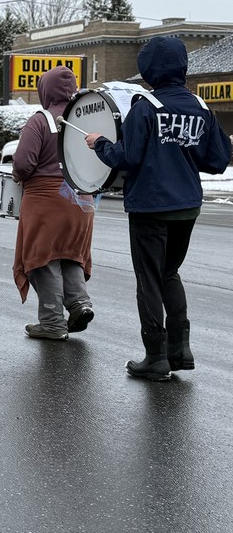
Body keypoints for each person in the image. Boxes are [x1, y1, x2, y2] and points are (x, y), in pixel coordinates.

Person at [86, 37, 231, 380]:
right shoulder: (200, 105)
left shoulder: (146, 105)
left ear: (149, 68)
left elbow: (128, 157)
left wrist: (100, 143)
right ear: (183, 66)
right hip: (187, 206)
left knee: (149, 279)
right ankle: (180, 350)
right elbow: (218, 159)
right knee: (169, 274)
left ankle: (155, 357)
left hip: (150, 206)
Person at [11, 66, 95, 341]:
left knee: (42, 259)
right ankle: (79, 303)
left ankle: (52, 322)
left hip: (47, 200)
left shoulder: (41, 120)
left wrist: (18, 175)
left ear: (45, 90)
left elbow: (23, 163)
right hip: (82, 200)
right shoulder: (86, 119)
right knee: (70, 254)